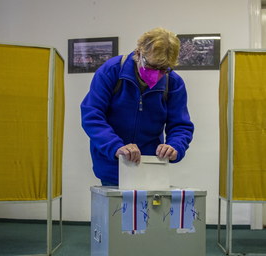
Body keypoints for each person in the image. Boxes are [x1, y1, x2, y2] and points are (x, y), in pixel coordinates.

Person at [80, 27, 194, 186]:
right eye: (151, 66)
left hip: (151, 166)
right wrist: (116, 147)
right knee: (116, 210)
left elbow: (180, 125)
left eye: (163, 69)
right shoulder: (112, 71)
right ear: (138, 53)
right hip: (113, 164)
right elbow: (92, 115)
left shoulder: (173, 82)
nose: (156, 74)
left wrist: (174, 147)